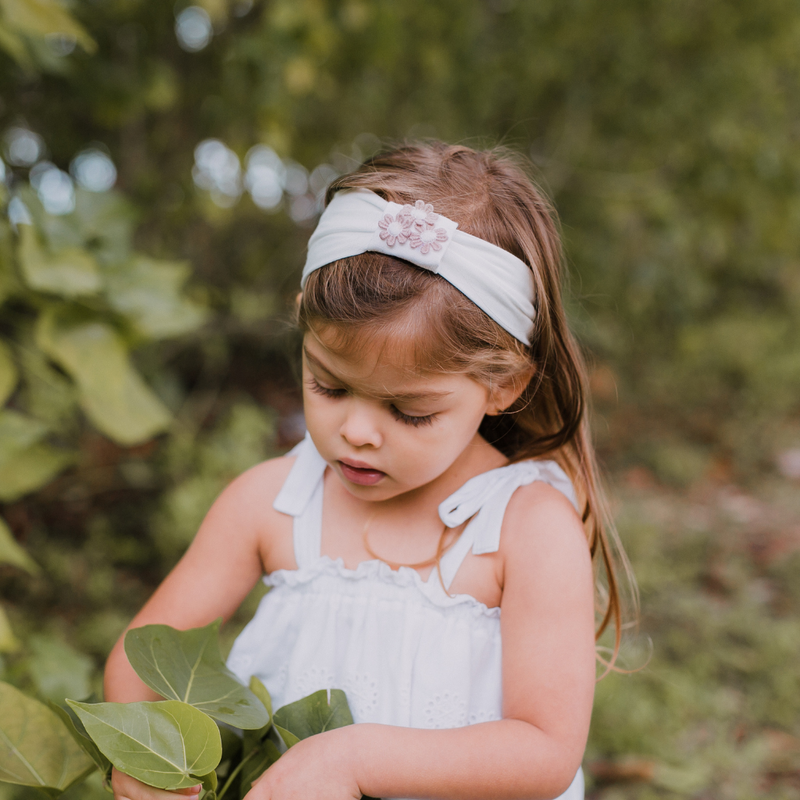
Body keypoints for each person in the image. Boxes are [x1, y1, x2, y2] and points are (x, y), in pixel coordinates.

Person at [105, 141, 632, 800]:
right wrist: (140, 752)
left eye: (409, 412)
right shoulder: (272, 504)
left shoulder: (526, 529)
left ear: (502, 385)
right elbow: (138, 663)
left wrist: (353, 760)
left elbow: (545, 749)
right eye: (329, 386)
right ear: (303, 324)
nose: (355, 431)